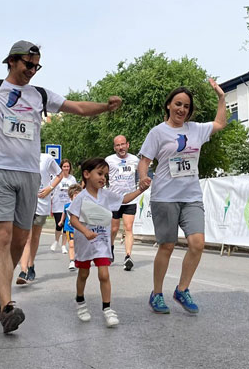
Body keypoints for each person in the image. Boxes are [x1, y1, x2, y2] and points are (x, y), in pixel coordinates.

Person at [0, 36, 121, 334]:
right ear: (11, 61)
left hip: (29, 175)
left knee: (20, 241)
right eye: (27, 64)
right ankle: (7, 306)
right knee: (1, 237)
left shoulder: (39, 95)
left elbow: (78, 108)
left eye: (36, 66)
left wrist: (105, 107)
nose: (32, 70)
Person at [138, 79, 228, 314]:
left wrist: (221, 97)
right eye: (178, 104)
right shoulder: (158, 132)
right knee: (167, 245)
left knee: (197, 244)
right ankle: (157, 293)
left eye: (186, 106)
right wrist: (143, 177)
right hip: (165, 197)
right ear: (169, 105)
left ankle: (182, 289)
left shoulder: (196, 129)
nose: (182, 109)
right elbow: (145, 160)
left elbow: (220, 122)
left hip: (191, 196)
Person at [68, 157, 150, 327]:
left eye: (105, 175)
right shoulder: (81, 197)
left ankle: (107, 309)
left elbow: (125, 199)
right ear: (86, 174)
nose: (103, 178)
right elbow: (73, 219)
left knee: (104, 274)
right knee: (83, 274)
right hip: (84, 243)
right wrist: (85, 231)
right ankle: (80, 301)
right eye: (99, 173)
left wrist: (141, 189)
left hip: (101, 243)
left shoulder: (106, 195)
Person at [16, 152, 64, 285]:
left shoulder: (46, 158)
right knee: (27, 237)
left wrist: (50, 188)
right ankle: (23, 270)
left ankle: (31, 264)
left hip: (42, 202)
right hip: (25, 201)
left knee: (35, 237)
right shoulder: (21, 156)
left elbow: (59, 175)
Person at [106, 135, 140, 270]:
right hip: (114, 200)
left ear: (128, 145)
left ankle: (128, 257)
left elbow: (143, 172)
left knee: (128, 228)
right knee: (114, 229)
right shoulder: (109, 160)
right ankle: (110, 247)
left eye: (123, 144)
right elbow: (101, 174)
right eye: (118, 145)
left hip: (130, 199)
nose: (121, 147)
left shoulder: (134, 160)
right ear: (115, 147)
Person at [50, 158, 76, 254]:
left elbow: (75, 191)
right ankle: (56, 241)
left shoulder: (72, 179)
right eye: (64, 166)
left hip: (68, 205)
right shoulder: (56, 177)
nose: (66, 168)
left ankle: (64, 245)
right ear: (61, 168)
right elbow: (51, 189)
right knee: (58, 225)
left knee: (66, 226)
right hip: (58, 205)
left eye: (67, 166)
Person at [60, 183, 82, 270]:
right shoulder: (67, 206)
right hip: (69, 228)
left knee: (79, 245)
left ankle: (79, 258)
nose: (77, 197)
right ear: (71, 196)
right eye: (75, 195)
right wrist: (61, 221)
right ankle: (72, 261)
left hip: (80, 229)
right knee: (71, 245)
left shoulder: (82, 206)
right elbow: (64, 214)